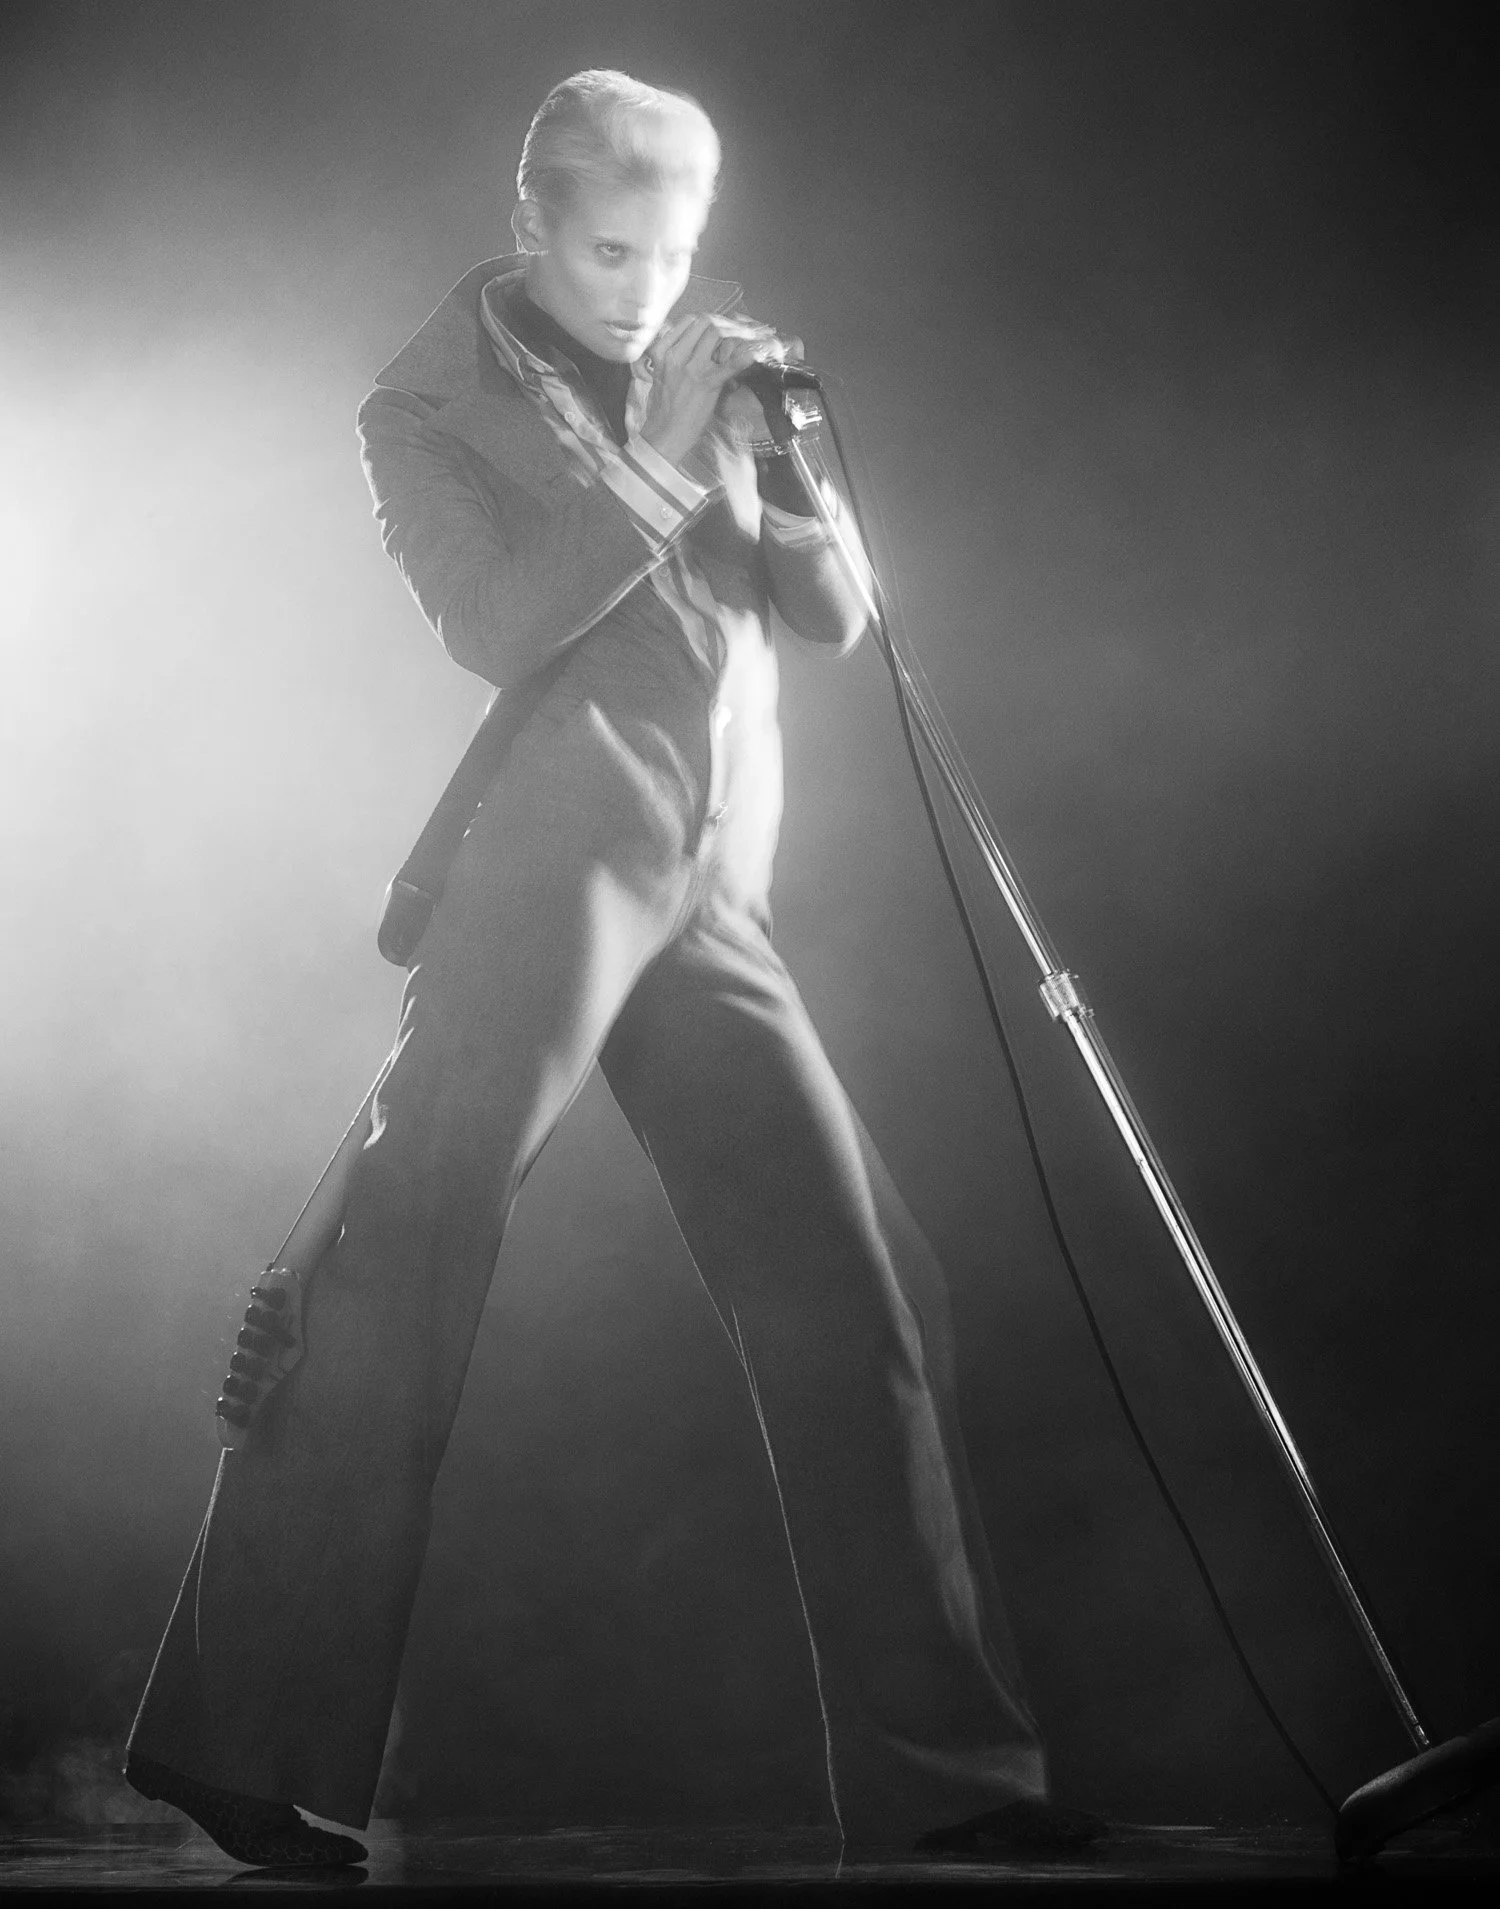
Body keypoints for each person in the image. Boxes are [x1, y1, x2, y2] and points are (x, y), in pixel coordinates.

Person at [124, 68, 1076, 1869]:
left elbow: (831, 620)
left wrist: (783, 469)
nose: (649, 283)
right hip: (548, 859)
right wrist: (662, 458)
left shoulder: (718, 374)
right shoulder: (424, 402)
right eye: (613, 246)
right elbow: (491, 624)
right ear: (533, 228)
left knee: (866, 1284)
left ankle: (959, 1795)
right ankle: (238, 1748)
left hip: (715, 888)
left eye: (678, 248)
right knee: (411, 1252)